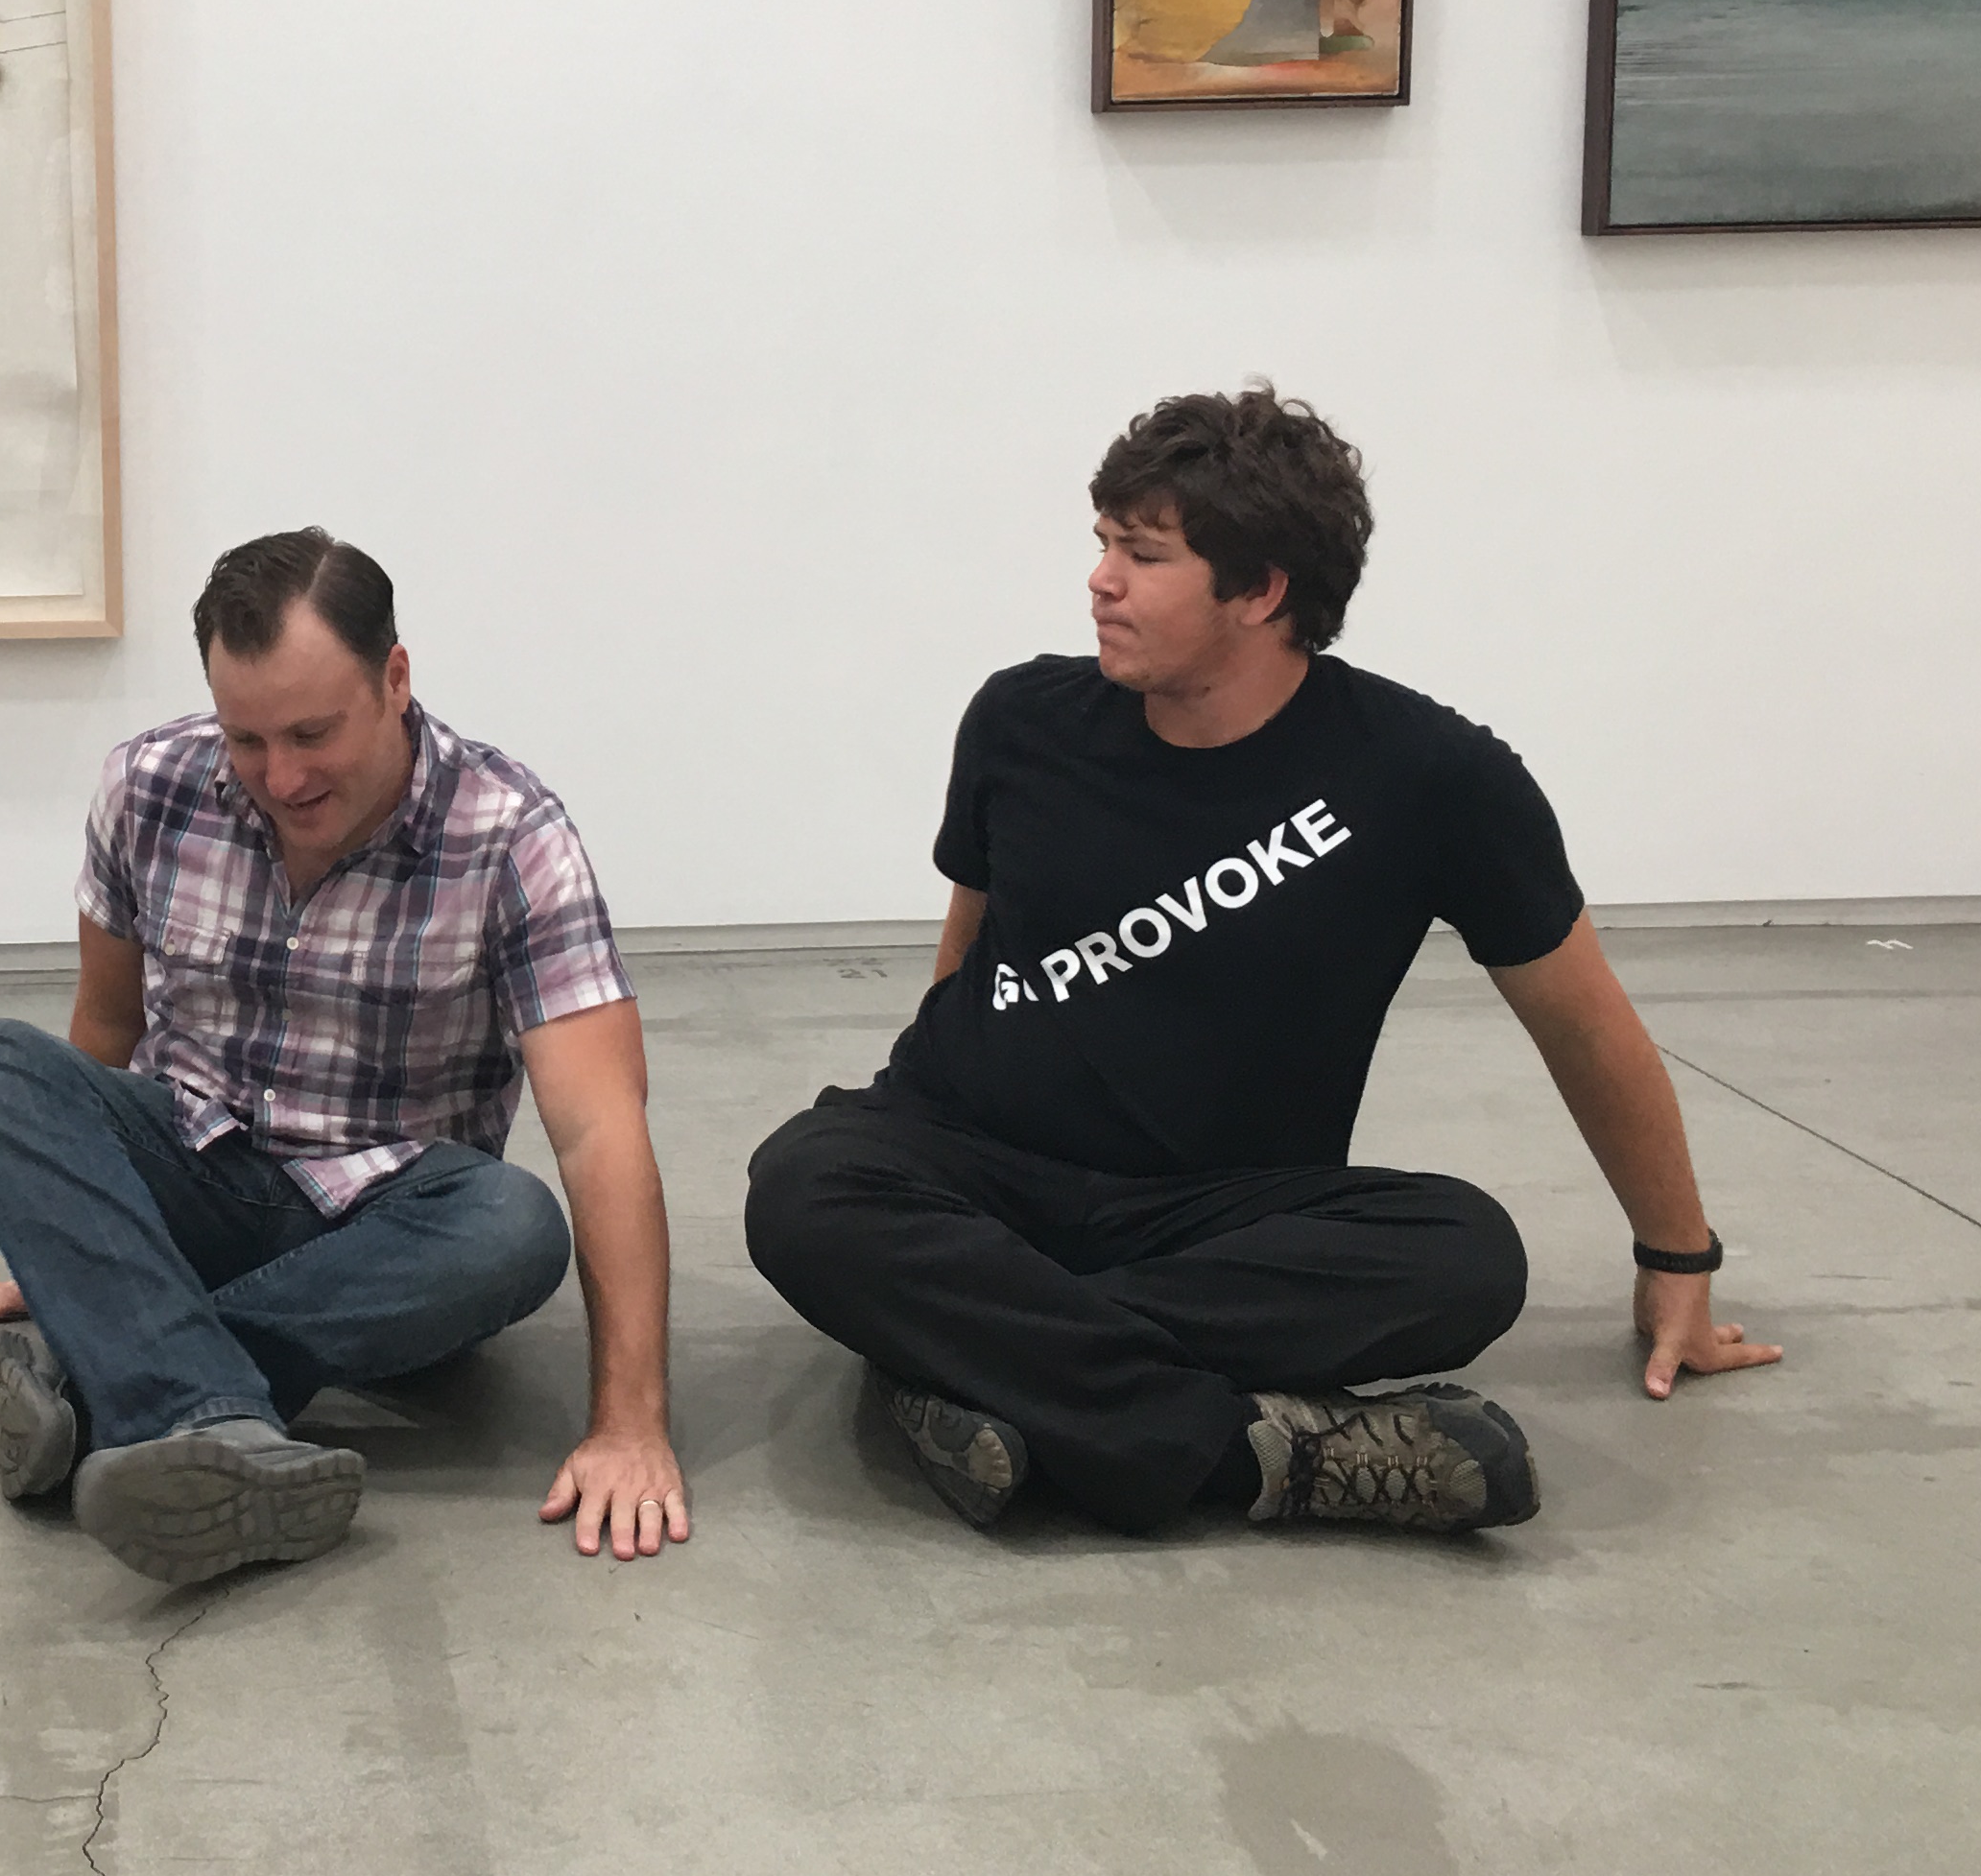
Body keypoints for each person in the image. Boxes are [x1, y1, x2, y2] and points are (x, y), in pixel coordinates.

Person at [745, 388, 1782, 1540]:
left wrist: (1677, 1257)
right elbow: (970, 945)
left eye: (1144, 554)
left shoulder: (1431, 780)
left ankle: (960, 1359)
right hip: (976, 1158)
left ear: (1261, 591)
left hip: (1217, 1210)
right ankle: (1260, 1460)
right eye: (1103, 545)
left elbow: (1583, 1024)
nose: (1101, 580)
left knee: (1467, 1258)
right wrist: (936, 1102)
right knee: (803, 1188)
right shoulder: (1020, 719)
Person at [0, 529, 690, 1586]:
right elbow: (103, 1031)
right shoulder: (148, 785)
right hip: (192, 1170)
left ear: (395, 678)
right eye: (246, 739)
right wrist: (65, 1223)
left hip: (385, 1220)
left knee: (513, 1228)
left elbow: (600, 1124)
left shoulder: (513, 836)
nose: (279, 777)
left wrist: (631, 1425)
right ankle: (203, 1411)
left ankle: (116, 1377)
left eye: (311, 733)